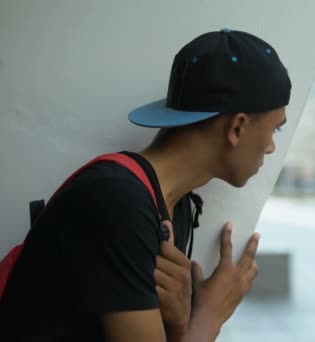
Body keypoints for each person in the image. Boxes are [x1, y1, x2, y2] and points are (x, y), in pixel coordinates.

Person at [0, 29, 291, 342]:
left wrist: (180, 324)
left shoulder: (172, 209)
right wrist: (210, 315)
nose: (272, 147)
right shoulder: (118, 201)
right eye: (275, 129)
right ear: (237, 127)